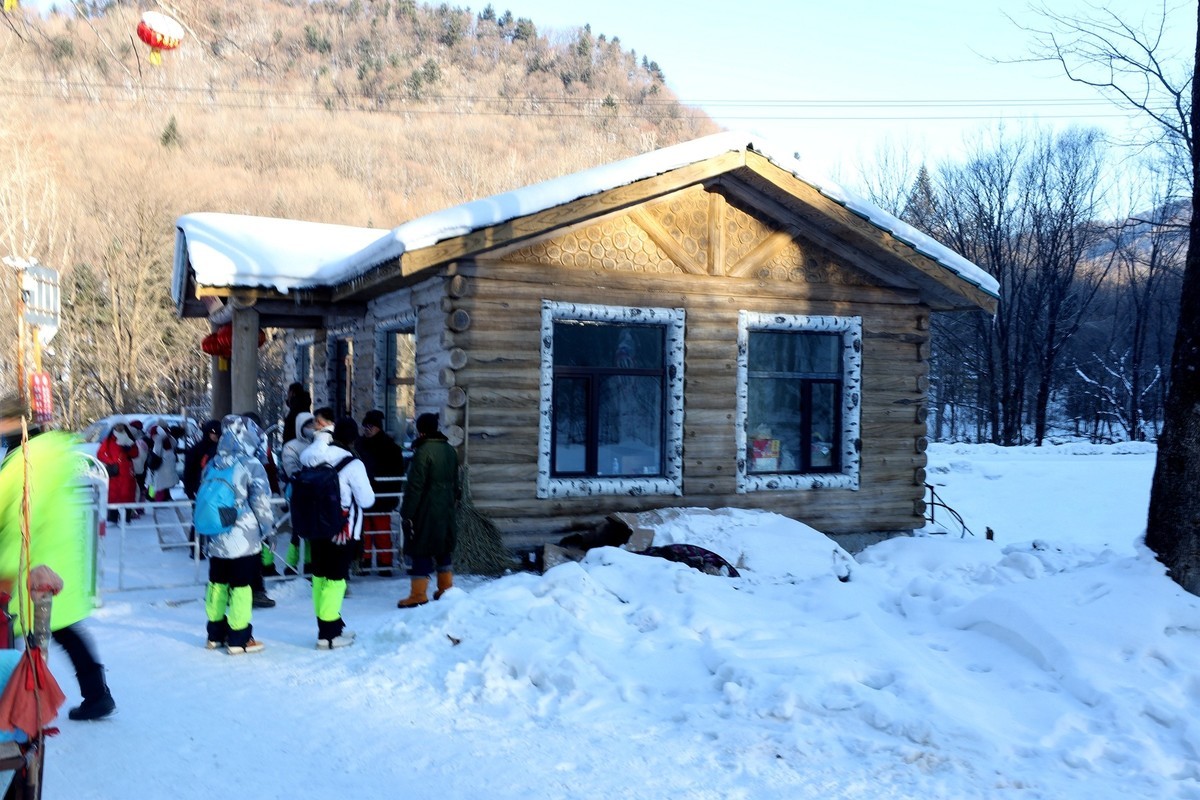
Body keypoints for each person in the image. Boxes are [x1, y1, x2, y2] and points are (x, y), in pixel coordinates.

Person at [0, 396, 116, 720]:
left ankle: (21, 705)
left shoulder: (20, 462)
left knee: (14, 634)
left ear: (13, 424)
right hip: (59, 557)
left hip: (26, 562)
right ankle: (96, 693)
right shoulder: (56, 450)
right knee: (62, 632)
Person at [199, 415, 274, 655]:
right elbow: (261, 502)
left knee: (217, 583)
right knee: (242, 586)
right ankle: (240, 638)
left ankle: (214, 635)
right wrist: (267, 529)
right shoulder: (252, 465)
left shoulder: (213, 463)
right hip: (243, 536)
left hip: (216, 534)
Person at [299, 409, 373, 649]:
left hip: (316, 525)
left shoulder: (312, 456)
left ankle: (328, 625)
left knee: (319, 577)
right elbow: (366, 500)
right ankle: (329, 634)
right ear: (352, 438)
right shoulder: (352, 463)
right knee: (336, 580)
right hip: (342, 530)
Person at [397, 413, 459, 609]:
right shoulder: (450, 450)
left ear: (421, 430)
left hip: (426, 508)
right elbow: (456, 483)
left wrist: (407, 512)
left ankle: (418, 594)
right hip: (446, 507)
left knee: (421, 548)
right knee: (443, 547)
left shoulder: (423, 452)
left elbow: (415, 486)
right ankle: (445, 589)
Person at [355, 409, 405, 576]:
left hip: (382, 496)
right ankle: (365, 561)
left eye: (370, 426)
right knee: (365, 532)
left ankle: (385, 563)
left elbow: (397, 473)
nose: (367, 429)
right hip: (364, 495)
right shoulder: (359, 444)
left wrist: (393, 496)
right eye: (365, 426)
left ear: (378, 427)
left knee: (382, 532)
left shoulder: (390, 447)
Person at [278, 411, 316, 575]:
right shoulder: (291, 446)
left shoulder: (317, 443)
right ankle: (291, 564)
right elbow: (290, 467)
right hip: (298, 491)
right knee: (297, 530)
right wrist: (302, 475)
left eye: (312, 424)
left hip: (314, 492)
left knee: (311, 531)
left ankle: (309, 563)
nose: (311, 428)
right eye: (307, 425)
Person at [97, 422, 137, 524]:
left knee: (127, 494)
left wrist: (129, 450)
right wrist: (111, 462)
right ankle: (113, 518)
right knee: (114, 495)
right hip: (115, 472)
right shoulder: (109, 440)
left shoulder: (129, 438)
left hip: (127, 472)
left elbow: (135, 454)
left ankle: (127, 518)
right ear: (114, 426)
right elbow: (100, 454)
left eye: (121, 425)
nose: (119, 427)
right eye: (117, 425)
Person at [144, 421, 179, 501]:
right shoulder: (168, 439)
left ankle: (151, 497)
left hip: (159, 465)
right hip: (165, 465)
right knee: (161, 483)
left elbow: (156, 452)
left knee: (153, 482)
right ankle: (163, 497)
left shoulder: (159, 439)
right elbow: (173, 446)